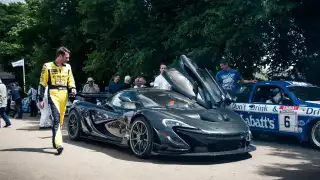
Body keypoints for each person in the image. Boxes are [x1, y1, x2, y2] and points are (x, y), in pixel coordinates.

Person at [38, 46, 76, 155]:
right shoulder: (48, 66)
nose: (68, 59)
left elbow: (71, 80)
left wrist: (73, 89)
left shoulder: (68, 67)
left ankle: (55, 141)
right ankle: (59, 144)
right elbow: (42, 83)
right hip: (53, 94)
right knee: (56, 119)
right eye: (66, 57)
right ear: (60, 56)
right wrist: (40, 98)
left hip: (64, 95)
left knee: (60, 120)